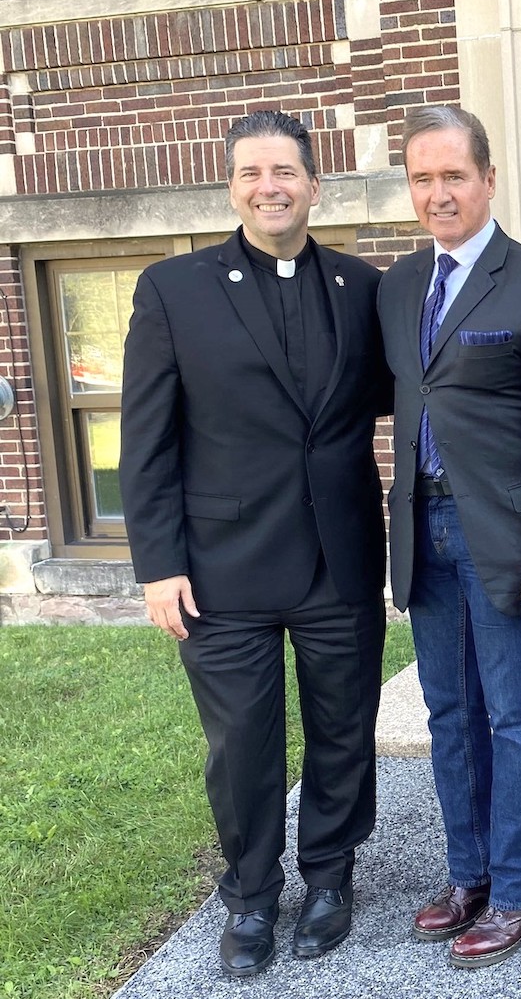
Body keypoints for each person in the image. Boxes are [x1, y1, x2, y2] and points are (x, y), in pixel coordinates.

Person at [119, 110, 389, 977]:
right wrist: (158, 565)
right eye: (251, 173)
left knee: (344, 729)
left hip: (339, 558)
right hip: (219, 566)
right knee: (241, 744)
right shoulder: (174, 289)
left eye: (285, 172)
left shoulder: (362, 286)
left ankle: (331, 877)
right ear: (232, 188)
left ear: (315, 185)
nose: (270, 187)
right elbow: (146, 439)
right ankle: (250, 894)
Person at [378, 105, 521, 969]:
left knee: (512, 713)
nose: (439, 194)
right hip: (422, 527)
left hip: (508, 538)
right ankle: (468, 874)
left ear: (488, 179)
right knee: (448, 712)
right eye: (422, 179)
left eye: (454, 176)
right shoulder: (399, 286)